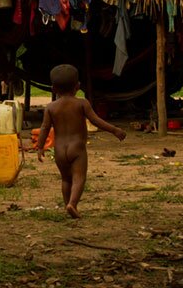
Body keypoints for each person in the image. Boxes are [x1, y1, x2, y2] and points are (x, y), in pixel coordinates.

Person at [37, 64, 126, 219]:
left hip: (59, 149)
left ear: (53, 89)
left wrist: (40, 147)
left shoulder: (51, 107)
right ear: (78, 86)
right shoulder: (82, 103)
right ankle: (73, 203)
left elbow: (44, 128)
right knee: (79, 177)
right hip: (77, 148)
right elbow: (96, 120)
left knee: (66, 179)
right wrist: (114, 130)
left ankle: (67, 205)